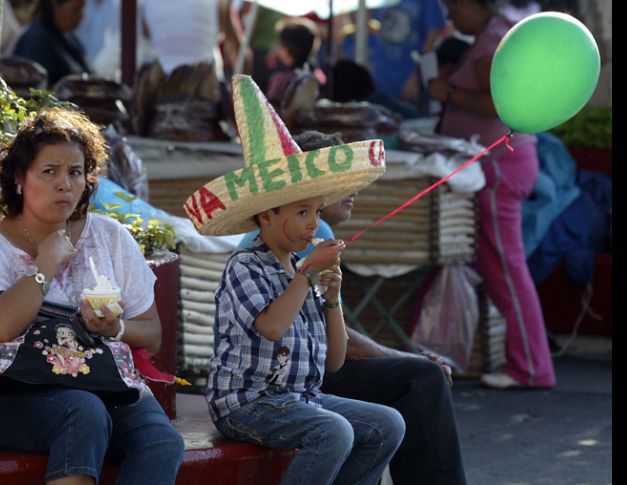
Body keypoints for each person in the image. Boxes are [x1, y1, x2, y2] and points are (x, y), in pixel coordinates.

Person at [190, 75, 405, 485]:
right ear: (266, 215)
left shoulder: (299, 268)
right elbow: (271, 327)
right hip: (246, 401)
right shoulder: (246, 265)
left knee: (387, 424)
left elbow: (335, 361)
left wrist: (333, 298)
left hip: (299, 397)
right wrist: (307, 276)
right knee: (334, 431)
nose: (313, 223)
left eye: (316, 212)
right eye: (301, 212)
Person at [0, 108, 185, 484]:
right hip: (16, 395)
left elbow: (151, 332)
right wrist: (45, 263)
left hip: (106, 383)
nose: (64, 184)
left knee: (162, 441)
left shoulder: (110, 237)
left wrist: (113, 328)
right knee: (83, 411)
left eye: (75, 172)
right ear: (19, 178)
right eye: (49, 171)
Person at [235, 130, 467, 485]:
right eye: (339, 183)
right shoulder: (273, 249)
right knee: (422, 378)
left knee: (389, 418)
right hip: (275, 380)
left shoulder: (312, 233)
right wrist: (402, 357)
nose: (352, 191)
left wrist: (331, 301)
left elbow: (335, 347)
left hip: (308, 365)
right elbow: (281, 330)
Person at [428, 0, 557, 389]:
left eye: (452, 7)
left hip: (501, 166)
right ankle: (526, 363)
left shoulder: (492, 41)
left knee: (507, 267)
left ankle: (531, 367)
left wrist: (448, 92)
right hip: (499, 165)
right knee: (500, 267)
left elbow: (500, 104)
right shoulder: (495, 35)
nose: (449, 16)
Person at [14, 0, 92, 86]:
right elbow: (37, 90)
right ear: (55, 5)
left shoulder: (70, 39)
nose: (81, 16)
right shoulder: (36, 41)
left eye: (82, 9)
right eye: (75, 10)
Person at [265, 18, 326, 109]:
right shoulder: (317, 75)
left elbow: (270, 109)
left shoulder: (280, 78)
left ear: (286, 49)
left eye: (280, 43)